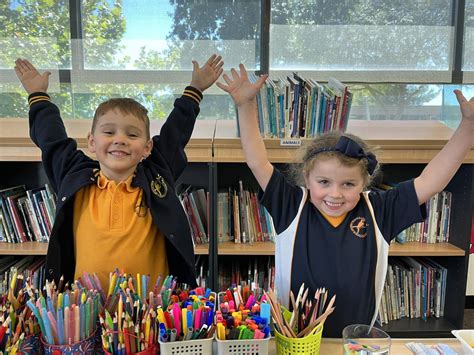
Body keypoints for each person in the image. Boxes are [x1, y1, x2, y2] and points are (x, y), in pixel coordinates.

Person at [217, 64, 474, 337]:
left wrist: (468, 128)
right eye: (324, 182)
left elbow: (431, 181)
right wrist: (246, 106)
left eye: (348, 184)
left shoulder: (379, 210)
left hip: (355, 338)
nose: (335, 194)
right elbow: (257, 162)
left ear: (365, 183)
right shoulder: (291, 204)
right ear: (306, 177)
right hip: (295, 340)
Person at [14, 55, 224, 290]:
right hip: (87, 311)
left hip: (150, 312)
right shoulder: (72, 174)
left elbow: (175, 134)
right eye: (109, 132)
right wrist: (38, 96)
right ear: (92, 142)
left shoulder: (157, 175)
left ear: (147, 147)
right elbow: (51, 139)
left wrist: (194, 90)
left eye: (132, 135)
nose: (120, 140)